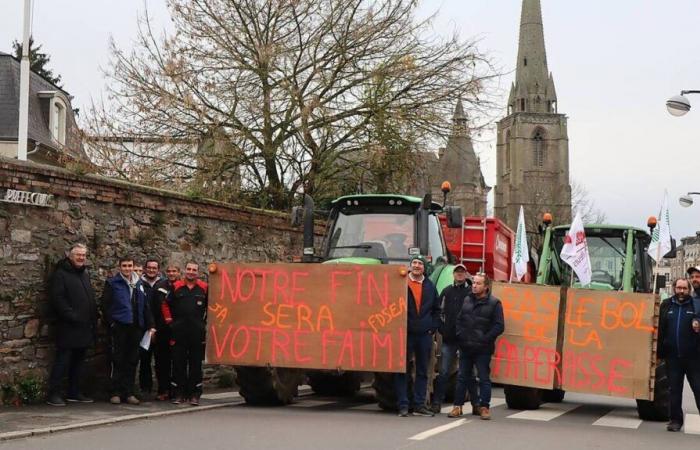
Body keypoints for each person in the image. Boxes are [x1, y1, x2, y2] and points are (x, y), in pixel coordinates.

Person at [46, 243, 98, 406]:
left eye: (83, 255)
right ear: (70, 255)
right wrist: (72, 316)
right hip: (68, 326)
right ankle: (53, 393)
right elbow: (58, 299)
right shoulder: (61, 274)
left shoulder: (84, 274)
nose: (81, 258)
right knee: (63, 360)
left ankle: (73, 392)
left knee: (79, 362)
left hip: (84, 326)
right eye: (78, 255)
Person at [102, 257, 155, 405]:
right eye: (124, 266)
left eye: (129, 266)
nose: (127, 268)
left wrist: (150, 324)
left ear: (133, 267)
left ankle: (129, 392)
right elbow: (105, 305)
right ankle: (115, 392)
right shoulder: (113, 283)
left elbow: (145, 306)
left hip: (136, 327)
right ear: (120, 268)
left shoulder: (139, 284)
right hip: (120, 326)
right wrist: (112, 323)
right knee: (118, 359)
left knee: (132, 360)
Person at [395, 255, 441, 417]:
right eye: (414, 263)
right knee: (402, 369)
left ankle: (419, 404)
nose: (416, 266)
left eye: (420, 263)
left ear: (424, 267)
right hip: (405, 333)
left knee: (422, 370)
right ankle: (403, 404)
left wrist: (432, 328)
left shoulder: (429, 286)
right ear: (410, 266)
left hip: (424, 335)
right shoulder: (401, 283)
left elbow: (437, 309)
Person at [456, 273, 504, 420]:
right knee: (462, 377)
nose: (474, 286)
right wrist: (460, 335)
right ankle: (457, 407)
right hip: (466, 347)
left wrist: (485, 339)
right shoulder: (467, 299)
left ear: (486, 286)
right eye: (474, 283)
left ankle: (484, 407)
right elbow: (459, 319)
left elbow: (499, 326)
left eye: (478, 283)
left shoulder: (495, 303)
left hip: (483, 349)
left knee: (483, 378)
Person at [657, 277, 700, 432]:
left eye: (684, 288)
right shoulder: (666, 305)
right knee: (674, 390)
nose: (681, 291)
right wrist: (660, 350)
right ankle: (675, 420)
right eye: (679, 288)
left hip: (694, 357)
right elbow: (660, 328)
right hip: (672, 357)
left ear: (689, 290)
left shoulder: (695, 306)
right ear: (674, 288)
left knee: (698, 388)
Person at [163, 261, 208, 406]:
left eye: (194, 269)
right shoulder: (176, 287)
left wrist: (205, 324)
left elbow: (212, 306)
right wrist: (170, 322)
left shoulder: (204, 288)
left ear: (198, 272)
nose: (191, 272)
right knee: (178, 364)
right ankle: (179, 394)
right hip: (178, 333)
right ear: (184, 271)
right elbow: (165, 304)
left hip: (197, 333)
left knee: (195, 365)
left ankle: (194, 395)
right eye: (189, 269)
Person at [431, 263, 472, 416]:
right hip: (449, 340)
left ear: (466, 274)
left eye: (462, 272)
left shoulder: (470, 293)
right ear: (453, 274)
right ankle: (436, 403)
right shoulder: (446, 291)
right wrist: (442, 329)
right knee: (443, 373)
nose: (459, 274)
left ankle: (468, 404)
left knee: (465, 374)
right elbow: (439, 312)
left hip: (465, 340)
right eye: (457, 272)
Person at [151, 264, 181, 400]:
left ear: (179, 272)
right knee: (162, 362)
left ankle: (176, 390)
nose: (171, 273)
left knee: (177, 361)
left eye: (174, 271)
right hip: (162, 329)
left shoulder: (183, 287)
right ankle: (163, 390)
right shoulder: (159, 286)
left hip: (178, 330)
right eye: (169, 271)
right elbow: (152, 307)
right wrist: (153, 327)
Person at [138, 258, 163, 397]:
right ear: (145, 269)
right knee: (144, 360)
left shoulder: (164, 284)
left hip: (161, 328)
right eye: (149, 268)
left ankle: (163, 389)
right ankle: (145, 388)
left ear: (158, 270)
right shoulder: (139, 284)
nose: (151, 270)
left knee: (161, 360)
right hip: (144, 328)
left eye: (154, 268)